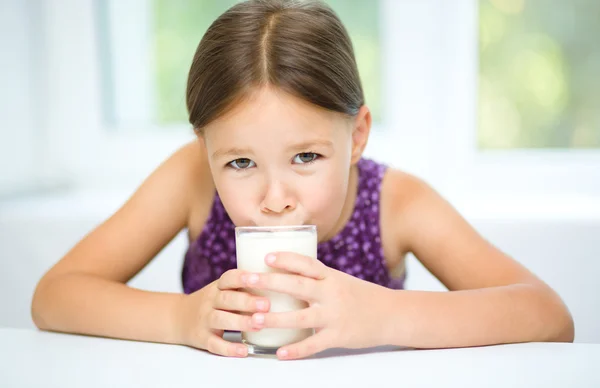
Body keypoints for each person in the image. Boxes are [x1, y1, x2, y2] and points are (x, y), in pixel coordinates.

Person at [31, 0, 574, 360]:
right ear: (206, 149)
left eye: (306, 157)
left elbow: (549, 317)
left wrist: (384, 314)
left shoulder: (396, 203)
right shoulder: (190, 179)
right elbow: (55, 296)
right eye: (240, 163)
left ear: (357, 136)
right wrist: (178, 317)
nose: (274, 200)